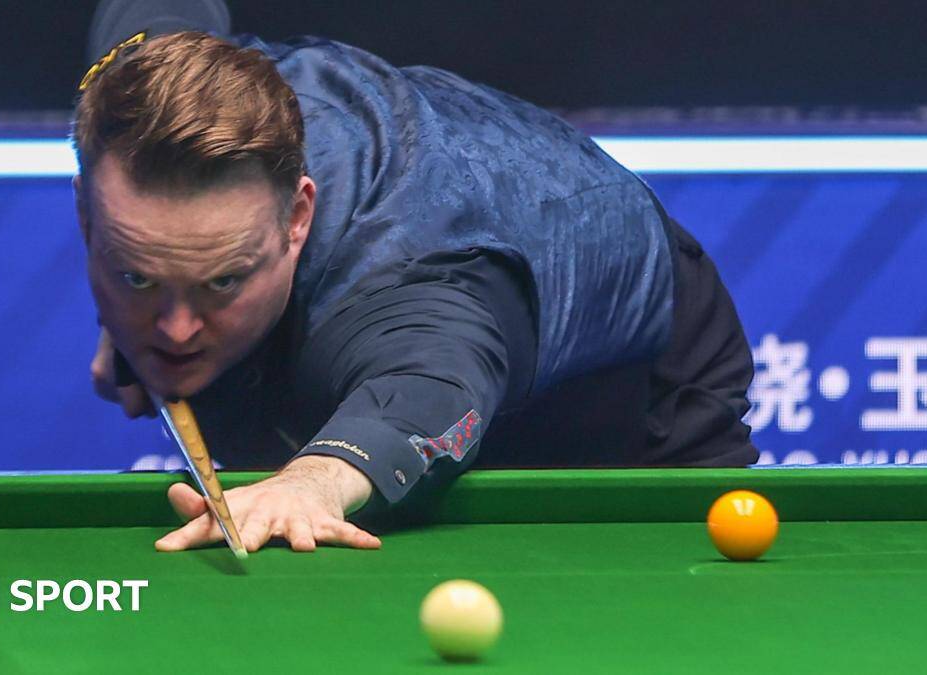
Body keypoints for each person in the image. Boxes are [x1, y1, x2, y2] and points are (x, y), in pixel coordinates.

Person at [73, 0, 758, 554]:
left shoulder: (399, 278)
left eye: (222, 281)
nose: (177, 328)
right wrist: (143, 302)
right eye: (139, 275)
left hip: (623, 375)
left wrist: (313, 482)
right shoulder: (140, 94)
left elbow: (431, 387)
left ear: (297, 217)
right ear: (86, 212)